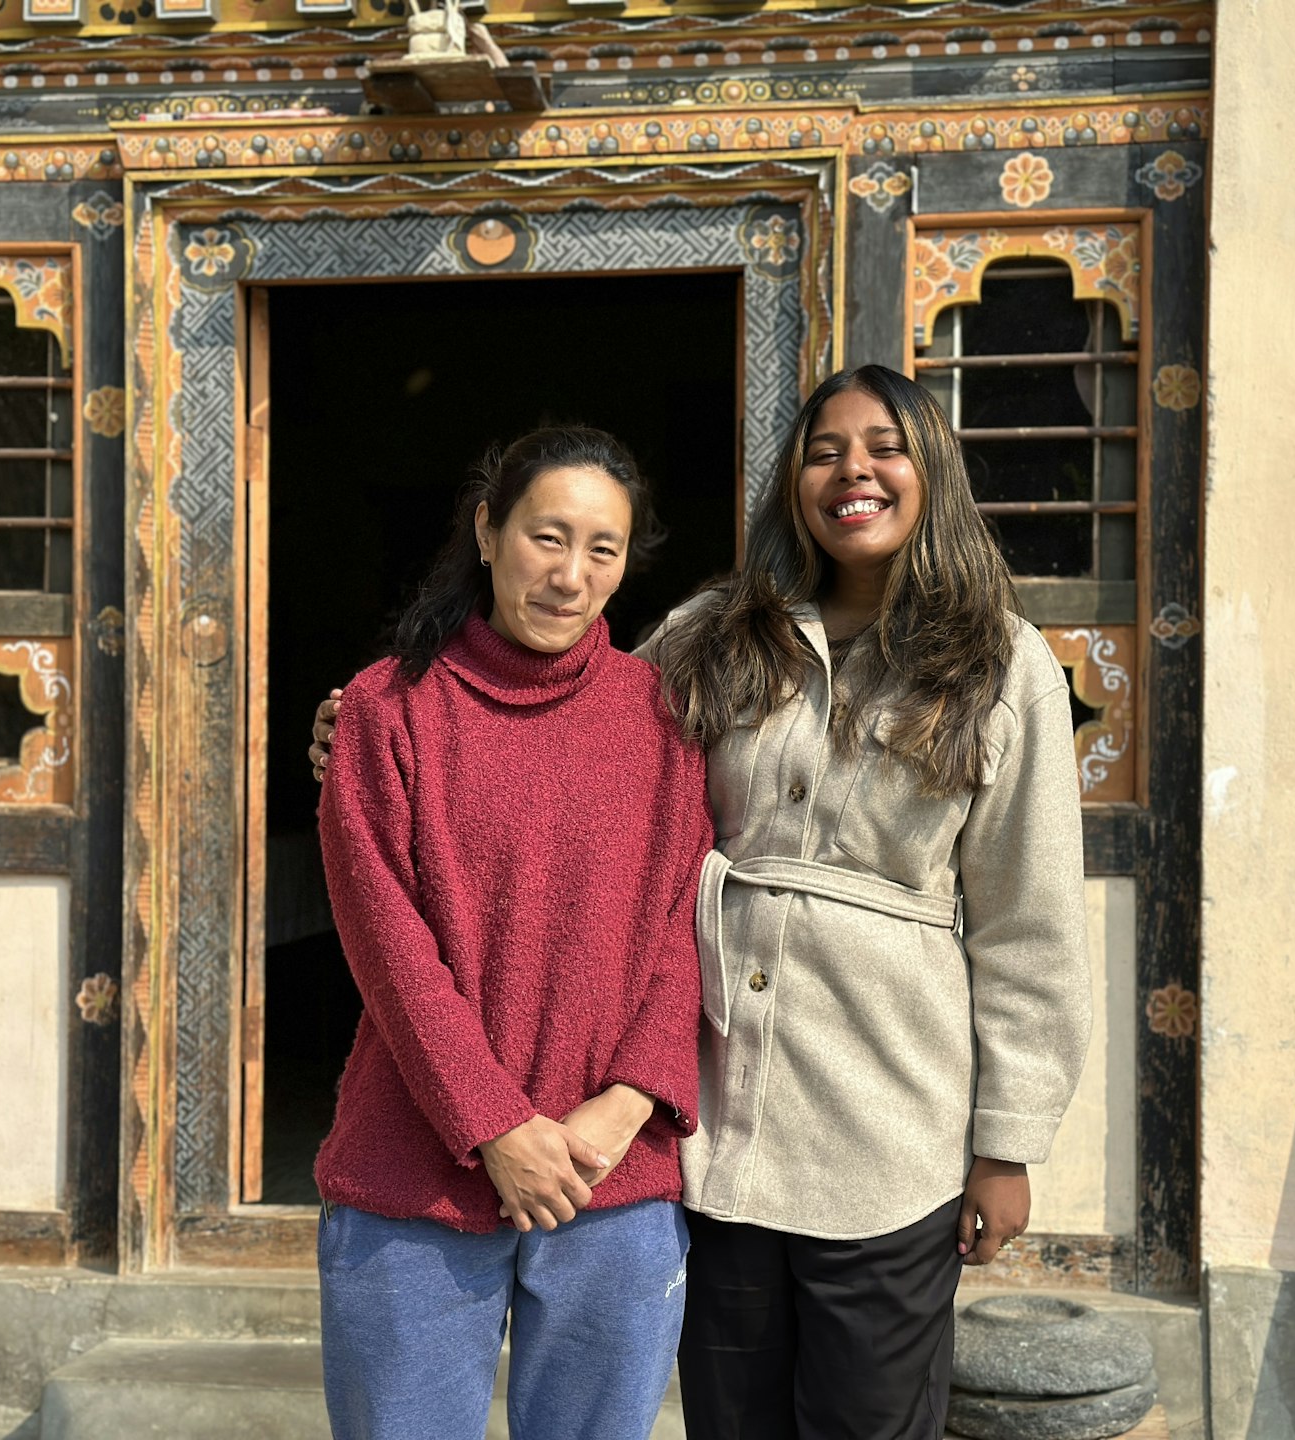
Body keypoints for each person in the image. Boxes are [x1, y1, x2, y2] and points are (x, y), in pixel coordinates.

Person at [313, 368, 1090, 1440]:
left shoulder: (1001, 667)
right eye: (824, 451)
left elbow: (1028, 919)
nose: (852, 472)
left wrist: (1008, 1142)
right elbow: (549, 719)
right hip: (722, 1137)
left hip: (879, 1119)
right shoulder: (719, 639)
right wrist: (360, 719)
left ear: (934, 473)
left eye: (884, 448)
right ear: (487, 530)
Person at [310, 426, 712, 1440]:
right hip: (414, 1175)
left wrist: (627, 1107)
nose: (571, 576)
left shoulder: (663, 717)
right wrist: (493, 1125)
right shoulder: (386, 708)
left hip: (609, 1178)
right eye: (547, 536)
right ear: (488, 530)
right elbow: (386, 940)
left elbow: (685, 928)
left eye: (603, 550)